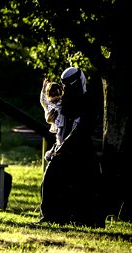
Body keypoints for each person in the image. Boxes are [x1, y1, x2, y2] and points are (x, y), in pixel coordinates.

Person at [39, 67, 105, 227]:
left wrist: (64, 145)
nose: (68, 89)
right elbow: (54, 113)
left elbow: (82, 127)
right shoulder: (66, 98)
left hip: (81, 149)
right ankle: (52, 217)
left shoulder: (88, 100)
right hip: (63, 148)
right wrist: (49, 119)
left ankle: (84, 220)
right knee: (50, 181)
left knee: (85, 185)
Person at [39, 78, 64, 160]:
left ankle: (54, 150)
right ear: (48, 96)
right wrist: (43, 89)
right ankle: (56, 150)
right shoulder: (48, 104)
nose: (56, 97)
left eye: (58, 94)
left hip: (64, 123)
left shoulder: (61, 102)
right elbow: (42, 100)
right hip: (57, 125)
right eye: (53, 95)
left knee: (60, 135)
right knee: (59, 136)